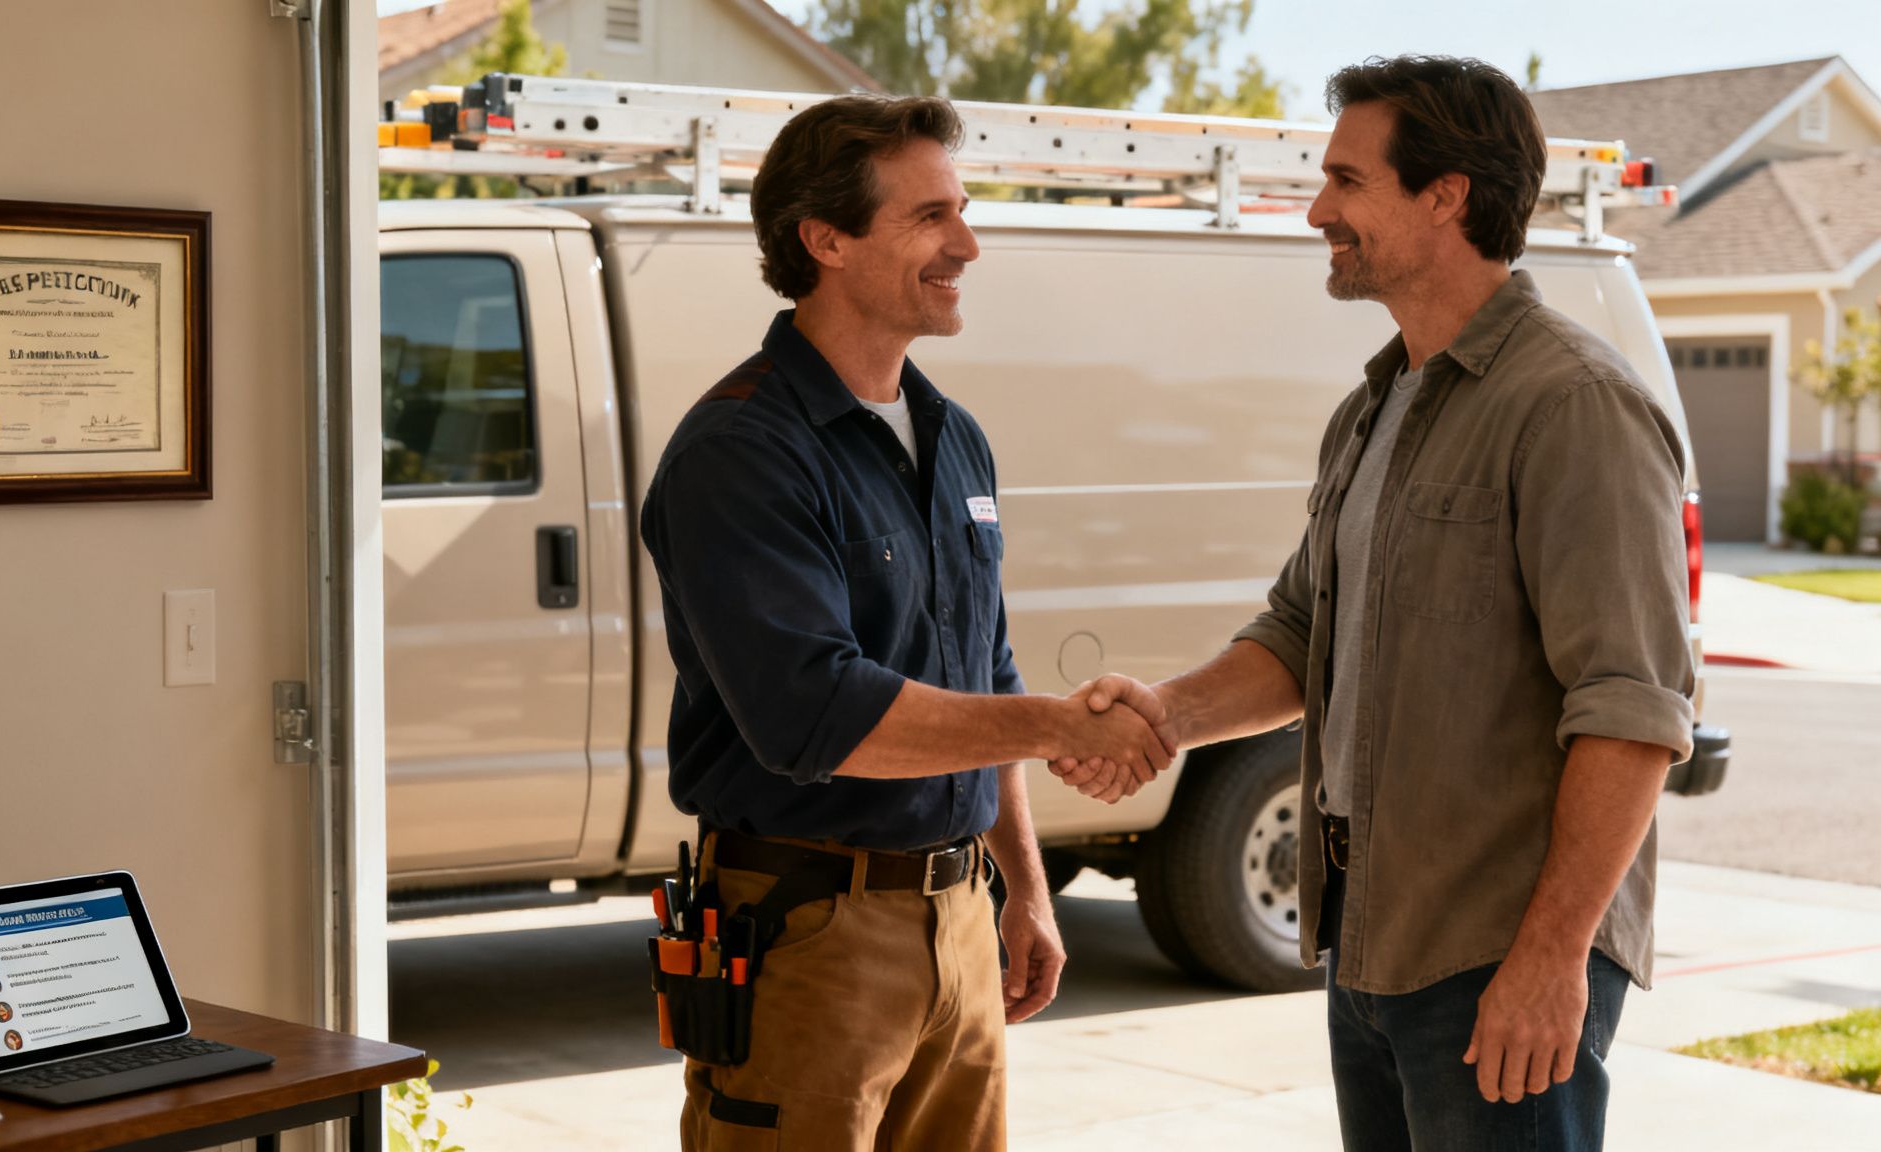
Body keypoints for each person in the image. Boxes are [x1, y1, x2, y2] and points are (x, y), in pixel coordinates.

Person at [1067, 55, 1693, 1150]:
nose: (1317, 211)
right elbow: (1300, 636)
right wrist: (1162, 717)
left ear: (1444, 193)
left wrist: (1548, 961)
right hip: (1369, 940)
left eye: (1346, 183)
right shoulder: (1376, 405)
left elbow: (1630, 712)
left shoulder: (1574, 406)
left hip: (1496, 955)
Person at [640, 93, 1171, 1151]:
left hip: (961, 916)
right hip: (807, 933)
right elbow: (815, 714)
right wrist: (1065, 728)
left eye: (960, 211)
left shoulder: (953, 437)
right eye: (930, 217)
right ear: (824, 238)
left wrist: (1022, 887)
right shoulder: (741, 452)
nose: (966, 244)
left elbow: (984, 669)